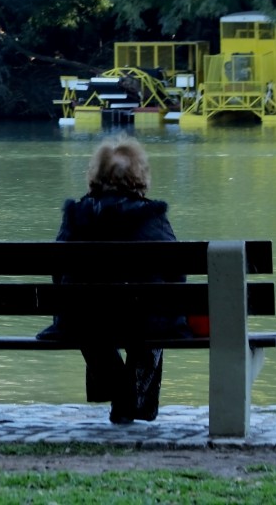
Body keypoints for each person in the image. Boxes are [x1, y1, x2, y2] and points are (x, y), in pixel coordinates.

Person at [47, 133, 188, 424]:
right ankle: (134, 398)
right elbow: (176, 273)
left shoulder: (75, 216)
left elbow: (58, 271)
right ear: (139, 176)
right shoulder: (152, 215)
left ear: (95, 175)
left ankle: (121, 392)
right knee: (155, 318)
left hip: (85, 321)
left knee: (86, 318)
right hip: (143, 319)